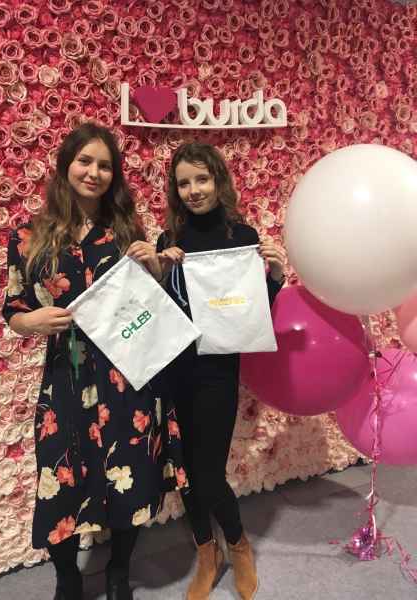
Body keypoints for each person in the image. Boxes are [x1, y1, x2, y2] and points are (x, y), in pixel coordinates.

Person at [2, 122, 187, 600]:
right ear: (66, 166)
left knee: (131, 473)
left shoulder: (125, 232)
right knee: (60, 480)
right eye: (85, 161)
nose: (94, 172)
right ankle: (67, 577)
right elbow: (13, 309)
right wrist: (29, 321)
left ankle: (119, 572)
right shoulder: (27, 237)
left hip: (128, 373)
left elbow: (147, 304)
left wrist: (155, 269)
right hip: (66, 374)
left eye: (105, 165)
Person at [156, 142, 285, 600]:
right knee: (186, 474)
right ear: (175, 189)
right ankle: (206, 553)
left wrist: (274, 277)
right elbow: (158, 312)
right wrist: (157, 271)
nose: (193, 190)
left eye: (202, 179)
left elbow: (252, 312)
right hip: (173, 369)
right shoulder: (167, 240)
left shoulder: (242, 236)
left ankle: (238, 544)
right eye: (184, 183)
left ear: (218, 181)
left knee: (208, 473)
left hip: (216, 372)